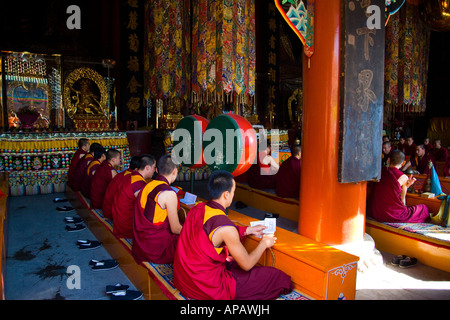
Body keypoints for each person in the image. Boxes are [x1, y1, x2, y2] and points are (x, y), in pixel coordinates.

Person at [173, 170, 294, 300]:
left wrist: (247, 230)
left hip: (183, 278)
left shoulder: (197, 208)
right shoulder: (225, 227)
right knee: (277, 277)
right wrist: (264, 243)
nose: (233, 195)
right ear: (226, 194)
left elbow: (216, 231)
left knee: (232, 263)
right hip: (205, 286)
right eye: (233, 191)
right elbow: (247, 264)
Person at [132, 155, 182, 264]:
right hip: (156, 248)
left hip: (141, 243)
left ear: (157, 170)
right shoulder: (169, 193)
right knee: (191, 240)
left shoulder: (147, 185)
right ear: (175, 171)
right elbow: (175, 229)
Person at [369, 150, 430, 223]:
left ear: (388, 160)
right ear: (403, 163)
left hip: (375, 212)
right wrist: (406, 187)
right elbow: (403, 200)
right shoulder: (403, 177)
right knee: (424, 208)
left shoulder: (379, 172)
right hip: (391, 214)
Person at [112, 155, 156, 239]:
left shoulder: (131, 176)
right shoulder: (138, 183)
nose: (155, 170)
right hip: (126, 225)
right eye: (154, 167)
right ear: (147, 167)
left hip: (118, 220)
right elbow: (147, 208)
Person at [102, 156, 141, 220]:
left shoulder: (123, 174)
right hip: (114, 212)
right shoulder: (132, 179)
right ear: (136, 169)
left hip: (108, 208)